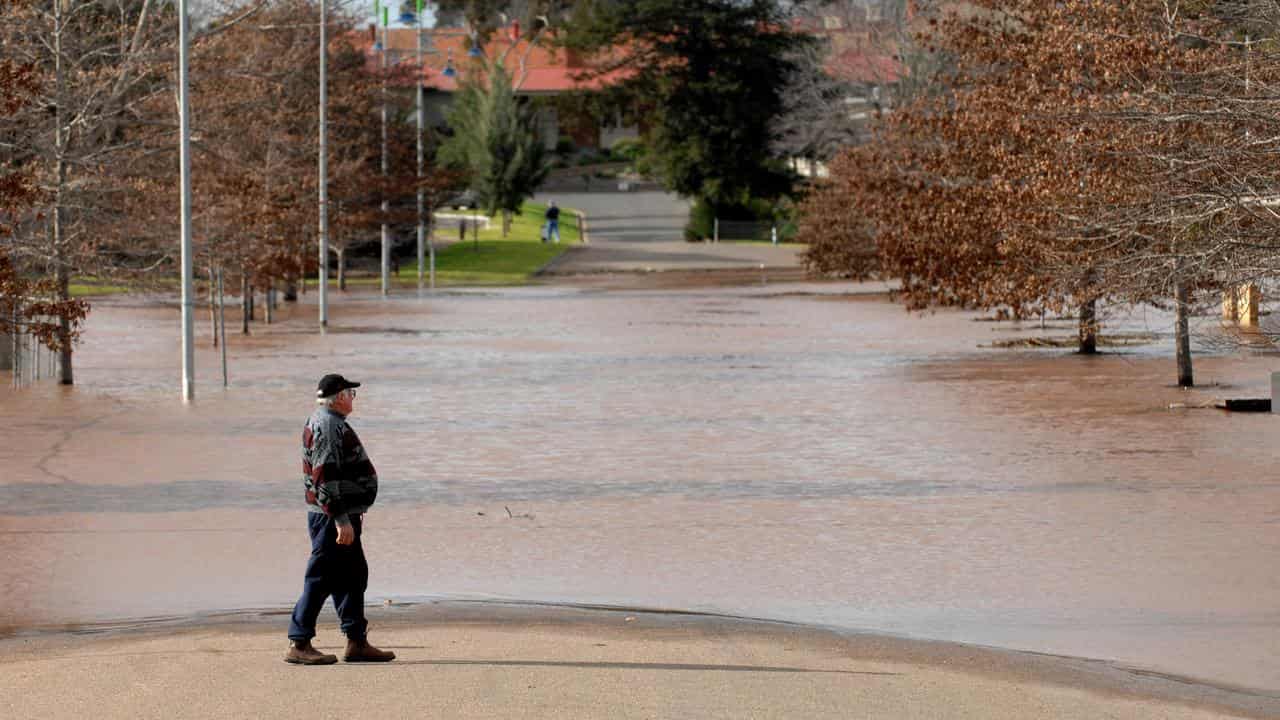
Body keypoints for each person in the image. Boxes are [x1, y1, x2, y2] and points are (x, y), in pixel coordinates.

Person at [285, 373, 396, 665]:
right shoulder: (327, 426)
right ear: (339, 398)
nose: (353, 398)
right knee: (321, 577)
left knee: (353, 575)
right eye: (350, 393)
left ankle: (356, 642)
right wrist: (340, 519)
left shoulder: (331, 422)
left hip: (340, 514)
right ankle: (299, 642)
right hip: (331, 517)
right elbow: (324, 477)